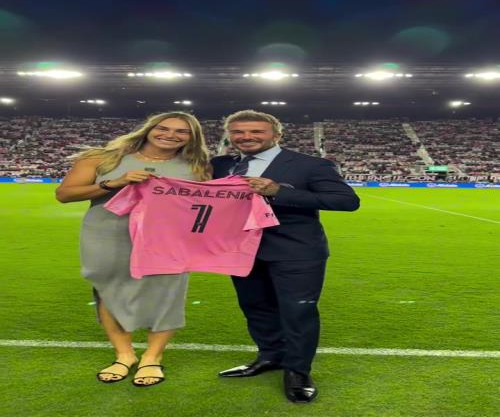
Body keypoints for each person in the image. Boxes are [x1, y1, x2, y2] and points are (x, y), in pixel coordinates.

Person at [211, 110, 360, 403]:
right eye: (238, 132)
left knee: (297, 312)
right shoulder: (220, 164)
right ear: (230, 136)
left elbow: (347, 201)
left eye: (257, 131)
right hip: (241, 249)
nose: (246, 137)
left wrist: (278, 191)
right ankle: (270, 356)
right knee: (255, 306)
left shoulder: (310, 165)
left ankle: (298, 371)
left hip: (296, 251)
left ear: (277, 135)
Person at [55, 111, 211, 387]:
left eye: (182, 131)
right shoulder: (103, 158)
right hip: (108, 234)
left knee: (167, 295)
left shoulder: (199, 167)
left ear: (192, 137)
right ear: (149, 129)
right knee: (108, 291)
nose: (170, 135)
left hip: (168, 240)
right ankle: (124, 355)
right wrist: (114, 183)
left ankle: (152, 357)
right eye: (163, 128)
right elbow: (65, 194)